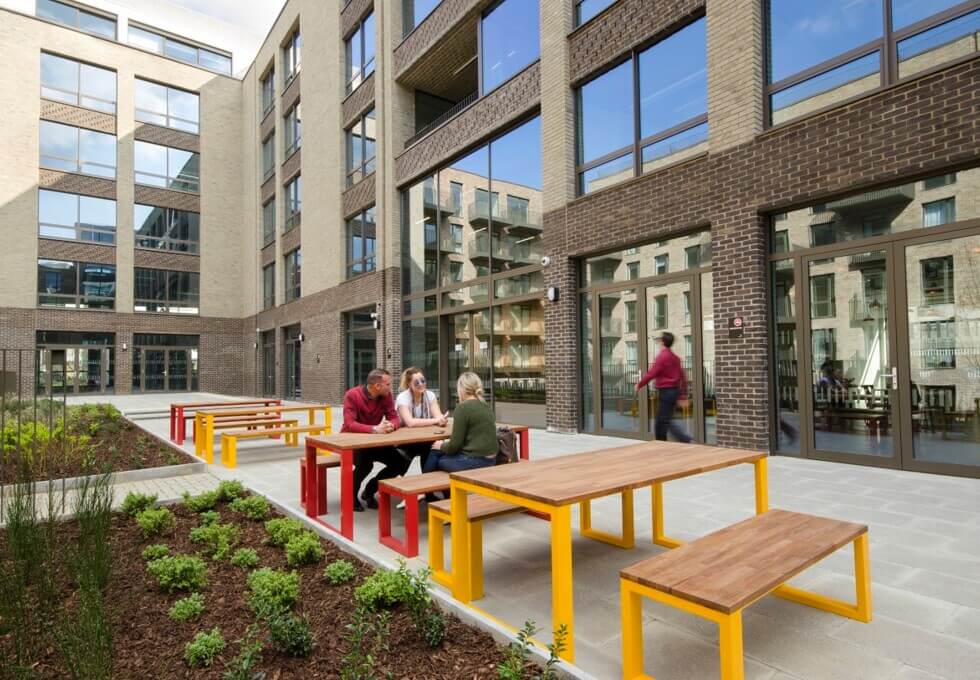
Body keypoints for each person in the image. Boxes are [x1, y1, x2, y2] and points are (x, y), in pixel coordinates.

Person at [341, 368, 410, 511]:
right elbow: (350, 424)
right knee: (365, 465)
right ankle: (351, 496)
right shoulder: (352, 395)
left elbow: (394, 417)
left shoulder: (386, 396)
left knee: (400, 462)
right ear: (377, 386)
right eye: (388, 384)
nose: (390, 387)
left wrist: (392, 425)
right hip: (352, 443)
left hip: (375, 441)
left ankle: (369, 491)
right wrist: (374, 429)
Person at [424, 372, 497, 473]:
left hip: (476, 462)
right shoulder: (486, 406)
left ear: (461, 390)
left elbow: (454, 446)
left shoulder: (462, 408)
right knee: (441, 454)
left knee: (436, 456)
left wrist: (441, 445)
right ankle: (441, 488)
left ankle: (425, 486)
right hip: (491, 460)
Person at [636, 332, 692, 443]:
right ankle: (662, 442)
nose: (658, 343)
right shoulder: (675, 358)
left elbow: (651, 374)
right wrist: (683, 395)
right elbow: (683, 376)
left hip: (666, 392)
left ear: (663, 342)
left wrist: (640, 384)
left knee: (663, 421)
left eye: (659, 341)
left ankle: (683, 439)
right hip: (674, 391)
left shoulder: (662, 357)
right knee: (663, 420)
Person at [395, 366, 448, 471]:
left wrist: (442, 420)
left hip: (424, 438)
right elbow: (410, 422)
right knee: (399, 467)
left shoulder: (430, 395)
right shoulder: (403, 397)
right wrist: (436, 420)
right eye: (416, 382)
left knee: (433, 450)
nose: (421, 384)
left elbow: (438, 416)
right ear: (409, 384)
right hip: (406, 440)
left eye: (423, 380)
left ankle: (428, 481)